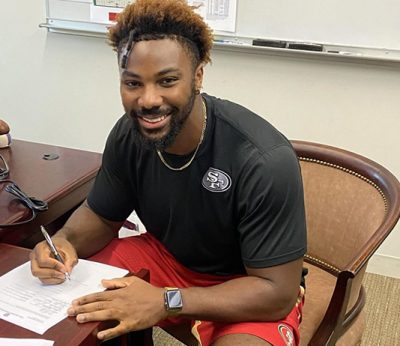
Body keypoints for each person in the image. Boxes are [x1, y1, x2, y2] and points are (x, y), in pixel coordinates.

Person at [30, 0, 307, 345]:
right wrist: (63, 243)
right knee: (76, 301)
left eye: (167, 81)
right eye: (133, 83)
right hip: (167, 258)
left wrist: (166, 300)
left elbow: (275, 292)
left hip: (247, 283)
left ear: (198, 76)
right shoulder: (129, 134)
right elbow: (101, 218)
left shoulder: (262, 159)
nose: (148, 100)